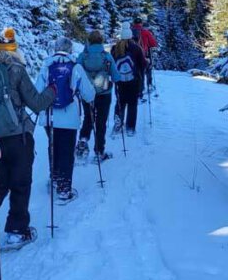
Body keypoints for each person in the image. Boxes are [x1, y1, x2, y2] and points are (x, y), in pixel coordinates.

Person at [0, 27, 55, 251]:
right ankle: (16, 231)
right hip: (18, 138)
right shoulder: (16, 69)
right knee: (20, 185)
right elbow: (37, 103)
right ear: (14, 48)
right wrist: (52, 91)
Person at [35, 37, 95, 202]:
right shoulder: (76, 67)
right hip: (70, 118)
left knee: (53, 146)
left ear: (55, 49)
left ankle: (54, 178)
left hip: (50, 117)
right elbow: (89, 94)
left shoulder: (46, 67)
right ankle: (64, 188)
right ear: (70, 50)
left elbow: (37, 91)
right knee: (67, 151)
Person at [76, 30, 120, 161]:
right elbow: (116, 76)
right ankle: (99, 151)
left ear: (89, 41)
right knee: (101, 122)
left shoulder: (82, 56)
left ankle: (83, 141)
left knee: (88, 118)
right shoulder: (106, 56)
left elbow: (76, 73)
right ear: (101, 41)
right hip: (104, 93)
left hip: (87, 93)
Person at [112, 22, 146, 136]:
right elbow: (142, 64)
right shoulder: (136, 48)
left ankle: (118, 123)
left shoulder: (114, 48)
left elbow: (111, 64)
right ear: (130, 35)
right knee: (132, 103)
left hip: (119, 80)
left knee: (120, 101)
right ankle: (130, 128)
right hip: (133, 80)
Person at [131, 15, 158, 99]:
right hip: (144, 55)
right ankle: (149, 85)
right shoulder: (146, 32)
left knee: (138, 73)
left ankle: (138, 91)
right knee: (148, 69)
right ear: (141, 24)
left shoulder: (130, 32)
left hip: (133, 56)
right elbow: (154, 44)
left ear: (134, 23)